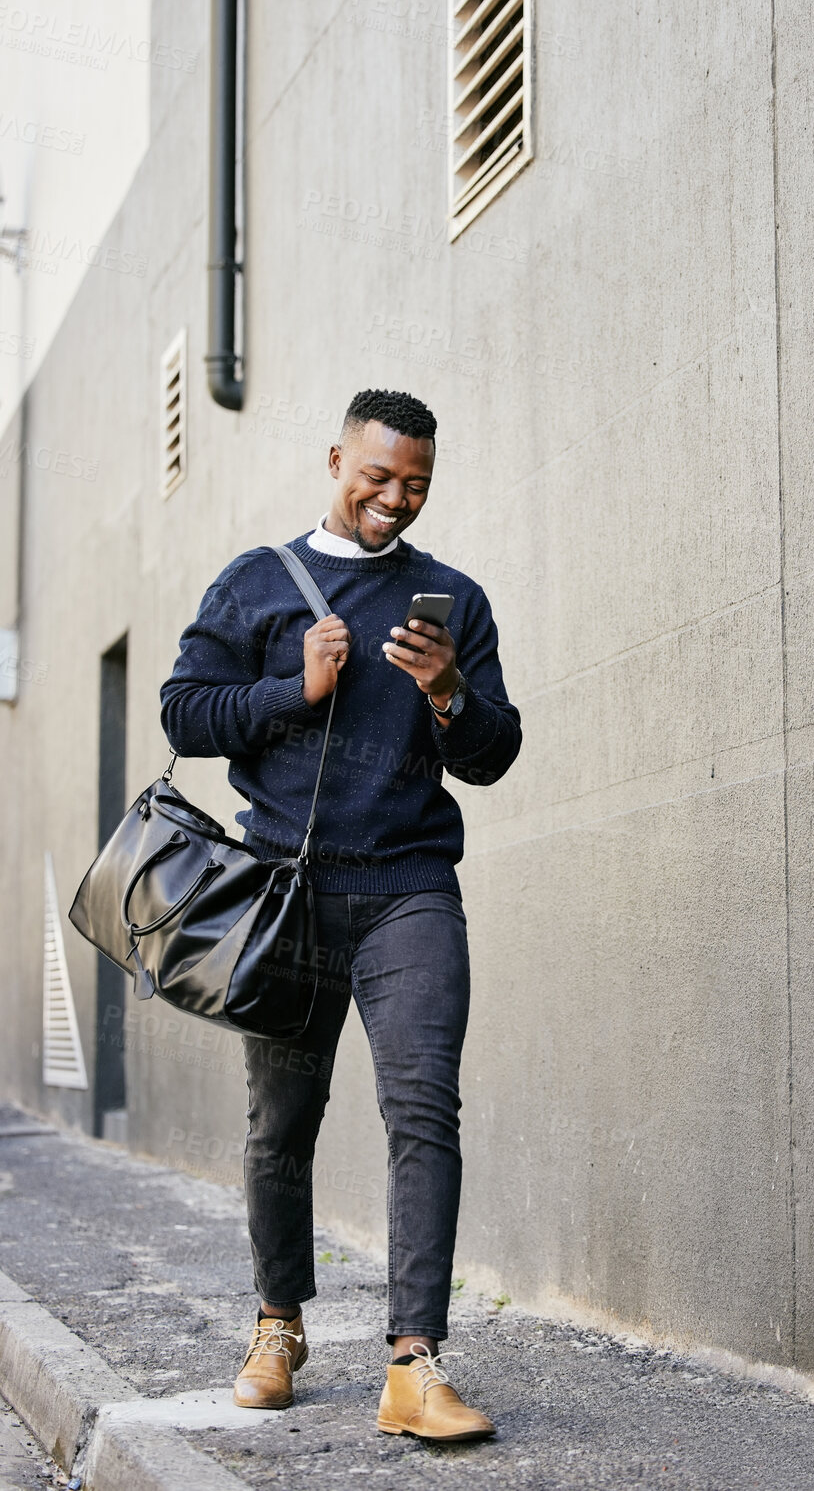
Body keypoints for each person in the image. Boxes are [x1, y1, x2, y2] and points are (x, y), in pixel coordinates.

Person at [159, 388, 521, 1441]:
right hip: (287, 894)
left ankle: (414, 1366)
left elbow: (491, 756)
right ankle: (278, 1326)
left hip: (409, 887)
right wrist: (292, 692)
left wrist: (450, 691)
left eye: (416, 483)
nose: (394, 499)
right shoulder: (258, 585)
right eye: (377, 475)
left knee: (423, 1113)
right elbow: (185, 709)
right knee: (282, 1122)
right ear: (335, 460)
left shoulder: (451, 597)